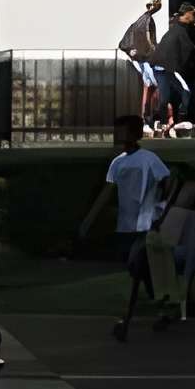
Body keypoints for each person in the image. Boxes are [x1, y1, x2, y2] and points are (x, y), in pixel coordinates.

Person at [75, 114, 175, 340]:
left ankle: (127, 320)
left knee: (137, 264)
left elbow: (167, 181)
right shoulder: (117, 163)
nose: (117, 135)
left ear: (133, 133)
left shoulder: (149, 159)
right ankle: (163, 306)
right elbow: (106, 193)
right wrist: (88, 221)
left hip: (146, 225)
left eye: (121, 131)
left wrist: (161, 209)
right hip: (125, 226)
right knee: (139, 270)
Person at [153, 5, 195, 132]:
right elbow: (190, 47)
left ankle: (163, 124)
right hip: (167, 67)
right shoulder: (180, 30)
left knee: (165, 98)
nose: (194, 18)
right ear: (188, 14)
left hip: (159, 66)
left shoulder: (176, 26)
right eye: (193, 15)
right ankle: (179, 121)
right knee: (185, 91)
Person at [118, 0, 165, 129]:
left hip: (141, 59)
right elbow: (148, 40)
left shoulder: (140, 20)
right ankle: (153, 119)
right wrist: (155, 53)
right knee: (157, 87)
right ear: (154, 5)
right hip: (147, 59)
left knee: (149, 86)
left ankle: (146, 120)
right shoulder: (147, 20)